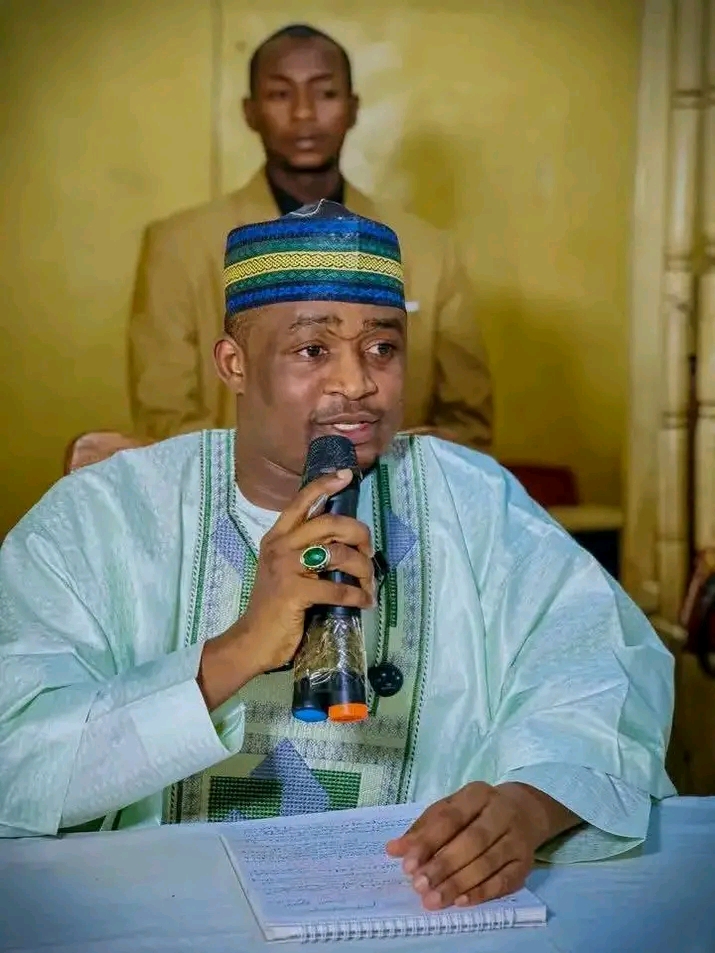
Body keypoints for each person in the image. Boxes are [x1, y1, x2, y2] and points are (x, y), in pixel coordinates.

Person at [0, 202, 674, 913]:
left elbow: (600, 672)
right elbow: (16, 754)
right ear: (233, 364)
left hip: (418, 907)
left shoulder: (472, 502)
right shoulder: (102, 515)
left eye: (382, 348)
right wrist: (240, 648)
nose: (356, 382)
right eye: (312, 350)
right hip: (158, 913)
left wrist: (527, 806)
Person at [129, 23, 492, 450]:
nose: (304, 113)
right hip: (234, 491)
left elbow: (468, 430)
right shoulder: (179, 246)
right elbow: (165, 419)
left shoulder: (428, 251)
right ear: (250, 112)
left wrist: (380, 478)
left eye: (325, 93)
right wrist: (271, 481)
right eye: (280, 94)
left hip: (390, 490)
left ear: (353, 109)